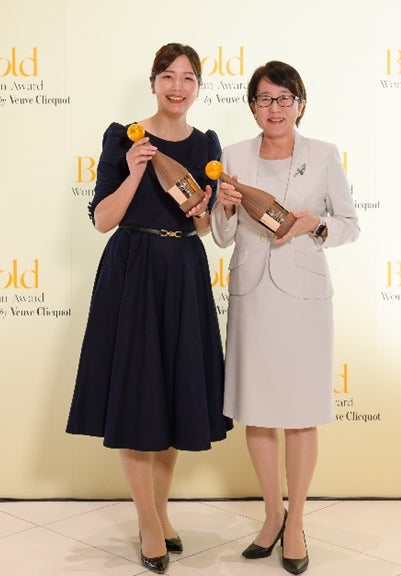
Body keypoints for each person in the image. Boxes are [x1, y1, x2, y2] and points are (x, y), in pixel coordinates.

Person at [65, 42, 229, 575]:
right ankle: (149, 523)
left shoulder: (206, 144)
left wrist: (203, 209)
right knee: (138, 397)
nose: (177, 87)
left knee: (174, 396)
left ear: (198, 87)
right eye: (168, 76)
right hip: (132, 270)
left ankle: (159, 512)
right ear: (153, 82)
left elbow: (202, 228)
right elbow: (102, 220)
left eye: (187, 78)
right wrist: (135, 171)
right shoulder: (124, 137)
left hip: (183, 270)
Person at [212, 60, 361, 575]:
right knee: (256, 411)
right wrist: (223, 207)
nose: (274, 108)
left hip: (303, 300)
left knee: (300, 413)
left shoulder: (323, 154)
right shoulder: (232, 156)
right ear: (252, 105)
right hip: (252, 295)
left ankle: (296, 521)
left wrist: (316, 225)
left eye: (283, 98)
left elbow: (350, 225)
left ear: (300, 103)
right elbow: (222, 236)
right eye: (264, 98)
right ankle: (271, 515)